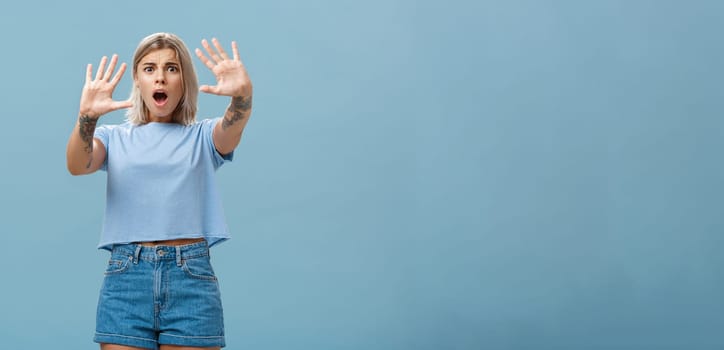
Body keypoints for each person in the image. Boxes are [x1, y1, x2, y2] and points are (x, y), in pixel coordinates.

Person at [65, 32, 252, 350]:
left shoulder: (203, 136)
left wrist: (242, 99)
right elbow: (78, 164)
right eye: (149, 68)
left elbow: (231, 130)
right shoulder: (114, 138)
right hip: (126, 277)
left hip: (189, 277)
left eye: (172, 68)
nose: (160, 77)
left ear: (184, 80)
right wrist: (87, 118)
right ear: (137, 79)